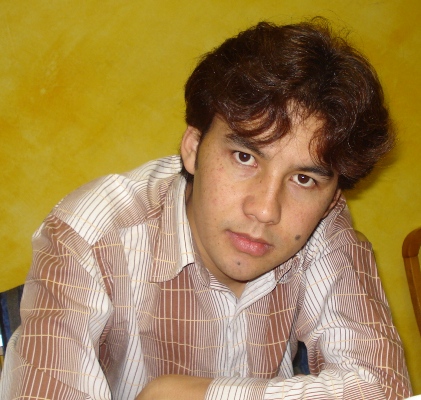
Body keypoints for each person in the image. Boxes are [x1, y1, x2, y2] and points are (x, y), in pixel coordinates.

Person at [0, 18, 412, 400]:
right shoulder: (90, 235)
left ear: (332, 194)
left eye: (303, 179)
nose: (265, 210)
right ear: (193, 148)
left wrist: (183, 394)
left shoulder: (323, 224)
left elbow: (381, 387)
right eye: (245, 157)